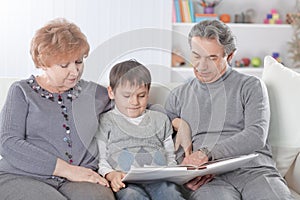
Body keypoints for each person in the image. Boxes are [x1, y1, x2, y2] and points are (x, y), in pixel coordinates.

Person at [165, 20, 293, 200]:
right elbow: (164, 139)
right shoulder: (178, 96)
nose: (202, 66)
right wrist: (184, 175)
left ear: (230, 56)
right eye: (196, 56)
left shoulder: (251, 86)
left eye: (212, 58)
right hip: (208, 180)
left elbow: (256, 135)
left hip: (254, 171)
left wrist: (206, 154)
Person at [0, 18, 115, 200]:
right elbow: (8, 142)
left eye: (78, 62)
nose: (75, 72)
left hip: (80, 179)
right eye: (64, 65)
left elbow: (136, 107)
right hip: (22, 176)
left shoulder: (95, 93)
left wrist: (176, 121)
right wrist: (68, 170)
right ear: (44, 63)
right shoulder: (22, 91)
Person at [96, 60, 186, 200]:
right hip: (126, 182)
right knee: (132, 196)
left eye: (141, 95)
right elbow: (101, 159)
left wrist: (171, 173)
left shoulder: (160, 120)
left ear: (148, 93)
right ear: (111, 93)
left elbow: (170, 156)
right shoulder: (106, 121)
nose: (134, 102)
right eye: (126, 96)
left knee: (171, 193)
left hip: (159, 180)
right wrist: (111, 174)